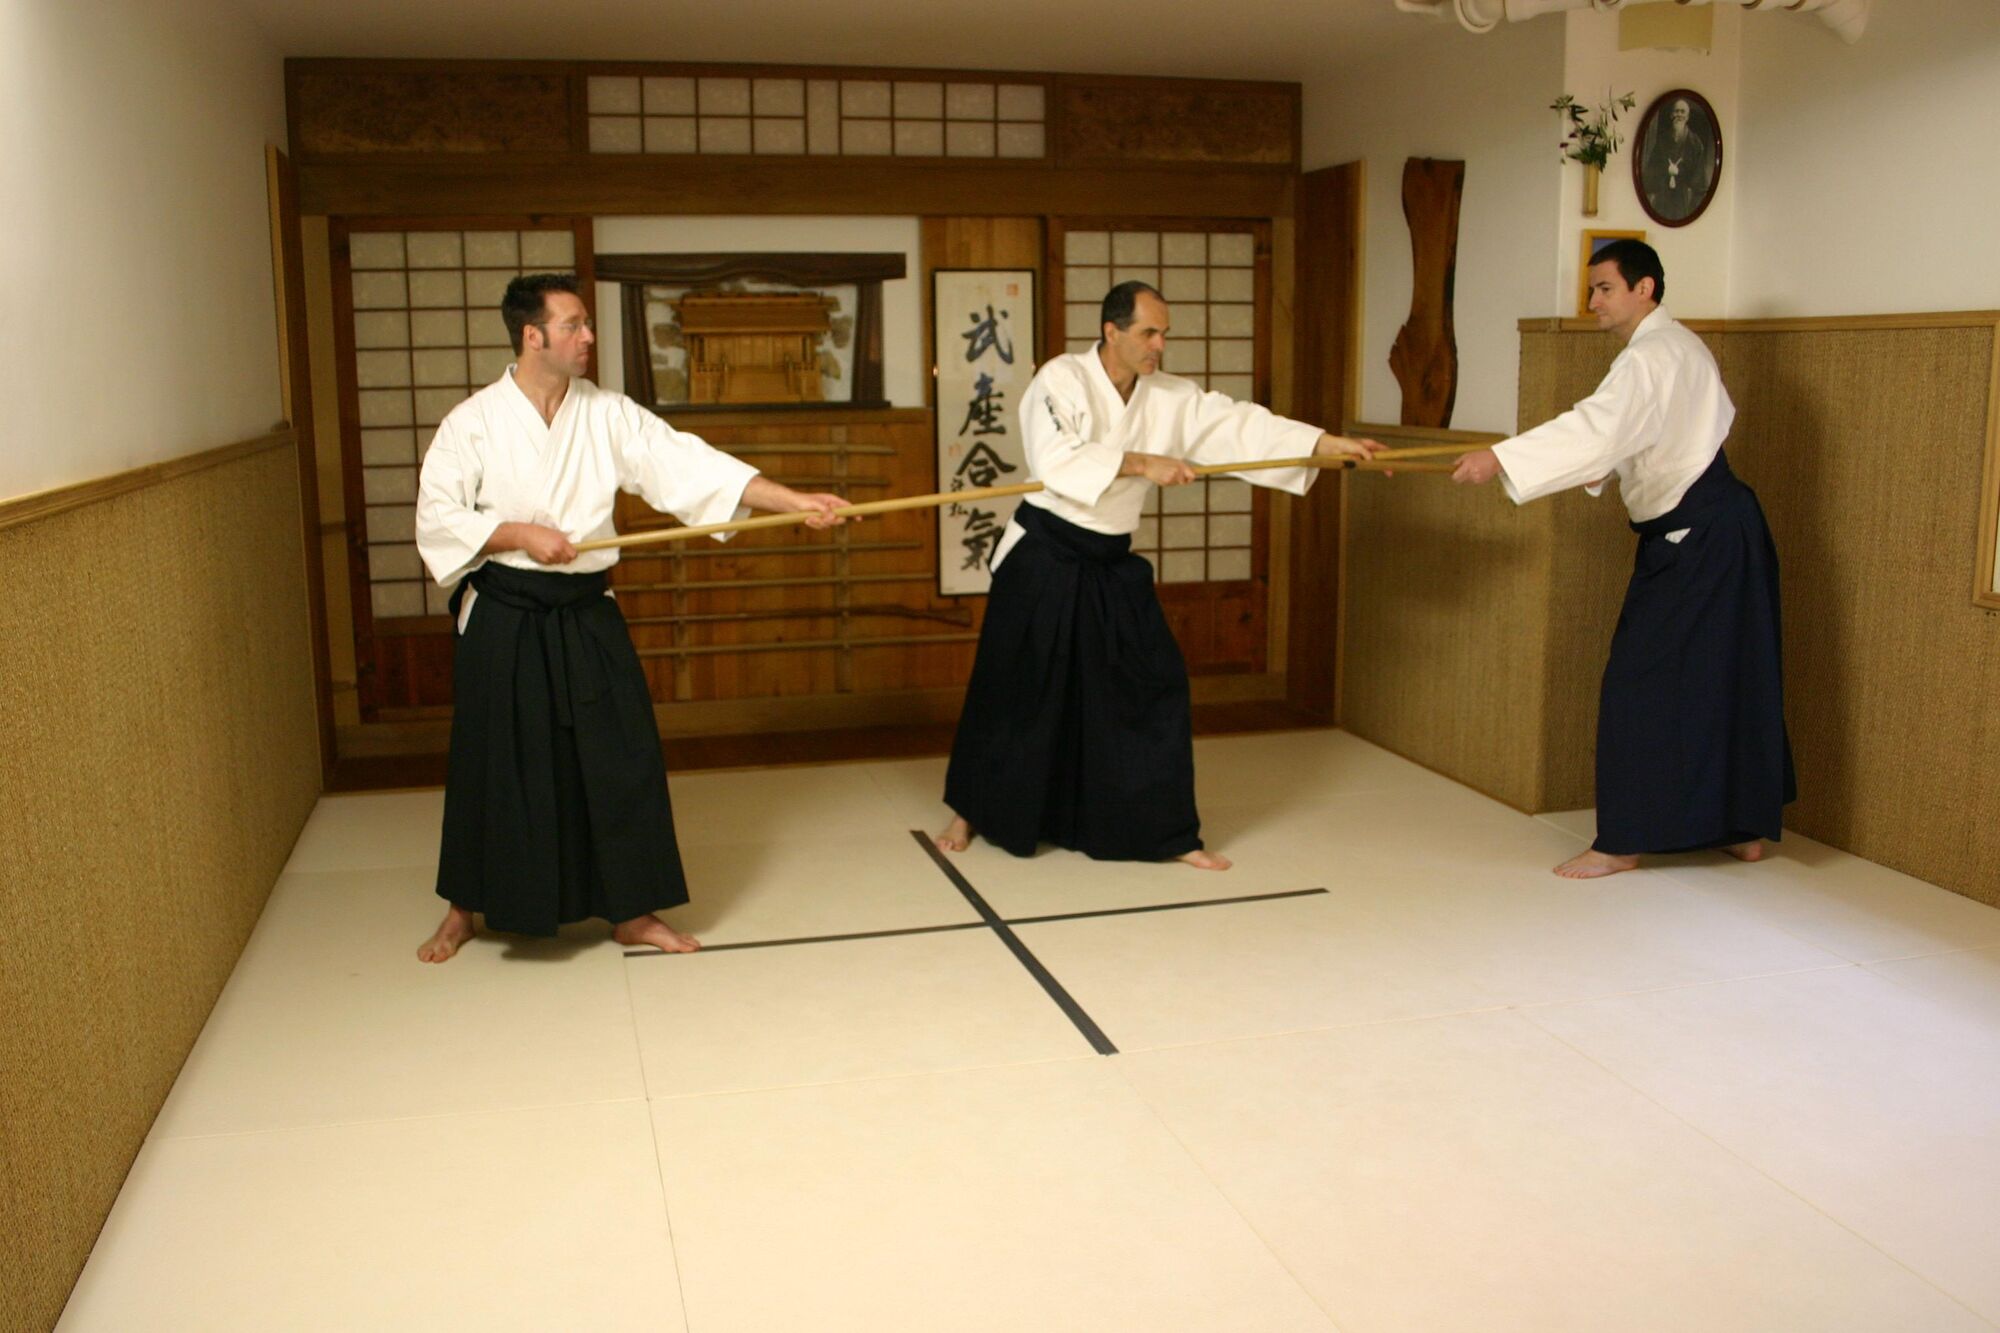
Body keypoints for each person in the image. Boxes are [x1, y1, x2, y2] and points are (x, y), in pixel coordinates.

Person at [412, 273, 849, 961]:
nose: (589, 336)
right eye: (574, 325)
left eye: (586, 323)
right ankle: (463, 907)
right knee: (494, 762)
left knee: (621, 757)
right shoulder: (472, 423)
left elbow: (692, 467)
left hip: (584, 609)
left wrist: (793, 501)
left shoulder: (607, 414)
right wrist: (519, 534)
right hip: (506, 613)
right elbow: (437, 517)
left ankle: (633, 910)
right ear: (532, 336)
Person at [934, 281, 1381, 870]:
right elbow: (1055, 458)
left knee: (1151, 686)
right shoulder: (1062, 379)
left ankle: (1166, 834)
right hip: (1044, 555)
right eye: (1148, 333)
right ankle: (971, 809)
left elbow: (1238, 426)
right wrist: (1144, 462)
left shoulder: (1170, 395)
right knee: (1014, 686)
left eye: (1164, 334)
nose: (1159, 346)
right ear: (1111, 331)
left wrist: (1323, 444)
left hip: (1109, 560)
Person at [1451, 240, 1793, 878]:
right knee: (1722, 675)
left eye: (1605, 288)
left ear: (1645, 288)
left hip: (1701, 535)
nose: (1593, 301)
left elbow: (1597, 429)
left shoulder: (1652, 356)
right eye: (1592, 290)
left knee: (1639, 682)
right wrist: (1592, 465)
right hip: (1722, 529)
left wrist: (1501, 458)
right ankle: (1743, 828)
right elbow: (1635, 438)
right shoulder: (1680, 346)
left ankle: (1621, 842)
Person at [1641, 98, 1711, 220]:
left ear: (1687, 117)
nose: (1679, 115)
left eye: (1682, 112)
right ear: (1671, 115)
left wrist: (1681, 174)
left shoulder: (1695, 144)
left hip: (1683, 202)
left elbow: (1700, 184)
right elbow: (1651, 171)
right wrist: (1665, 171)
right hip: (1662, 199)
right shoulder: (1662, 140)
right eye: (1676, 111)